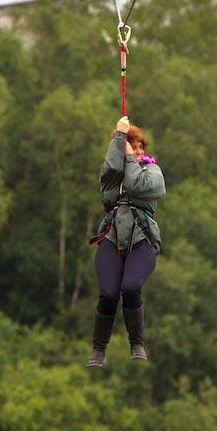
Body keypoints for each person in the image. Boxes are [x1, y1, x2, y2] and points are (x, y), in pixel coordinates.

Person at [87, 115, 165, 367]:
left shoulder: (153, 173)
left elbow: (134, 183)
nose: (139, 152)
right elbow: (109, 173)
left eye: (141, 148)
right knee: (109, 293)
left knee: (130, 288)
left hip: (142, 242)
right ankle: (99, 349)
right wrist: (119, 139)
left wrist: (129, 157)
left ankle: (137, 343)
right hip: (112, 238)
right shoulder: (112, 176)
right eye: (134, 148)